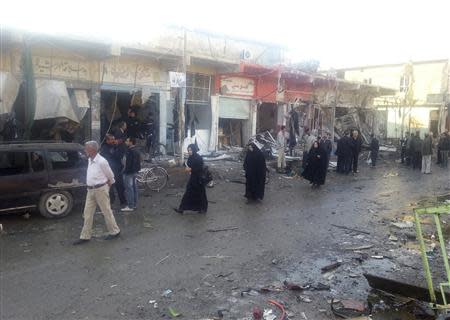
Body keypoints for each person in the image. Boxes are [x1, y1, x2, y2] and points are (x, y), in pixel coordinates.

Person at [73, 141, 121, 245]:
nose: (85, 150)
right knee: (87, 213)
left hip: (100, 189)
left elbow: (111, 176)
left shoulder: (102, 161)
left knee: (106, 211)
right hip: (90, 190)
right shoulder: (90, 159)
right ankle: (85, 236)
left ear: (92, 150)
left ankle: (115, 231)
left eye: (86, 149)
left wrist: (107, 186)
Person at [174, 144, 208, 214]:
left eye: (190, 150)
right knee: (188, 193)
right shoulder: (190, 157)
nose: (189, 151)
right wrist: (184, 165)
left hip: (199, 180)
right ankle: (181, 208)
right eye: (188, 150)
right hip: (193, 179)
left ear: (194, 150)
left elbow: (200, 169)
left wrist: (191, 169)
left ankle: (203, 209)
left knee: (201, 194)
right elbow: (188, 165)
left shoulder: (198, 158)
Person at [100, 134, 127, 208]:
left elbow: (121, 154)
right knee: (110, 188)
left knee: (120, 187)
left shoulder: (116, 146)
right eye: (111, 139)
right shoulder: (104, 149)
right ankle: (111, 203)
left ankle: (123, 201)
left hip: (117, 170)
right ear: (107, 140)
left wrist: (118, 145)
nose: (113, 141)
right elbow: (107, 159)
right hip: (109, 171)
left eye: (113, 139)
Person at [121, 137, 141, 212]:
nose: (126, 142)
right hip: (135, 172)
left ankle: (130, 206)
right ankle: (135, 204)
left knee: (129, 189)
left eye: (127, 141)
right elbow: (138, 163)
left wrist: (125, 171)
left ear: (131, 142)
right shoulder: (136, 150)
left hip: (129, 173)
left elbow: (128, 163)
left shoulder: (130, 151)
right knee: (134, 188)